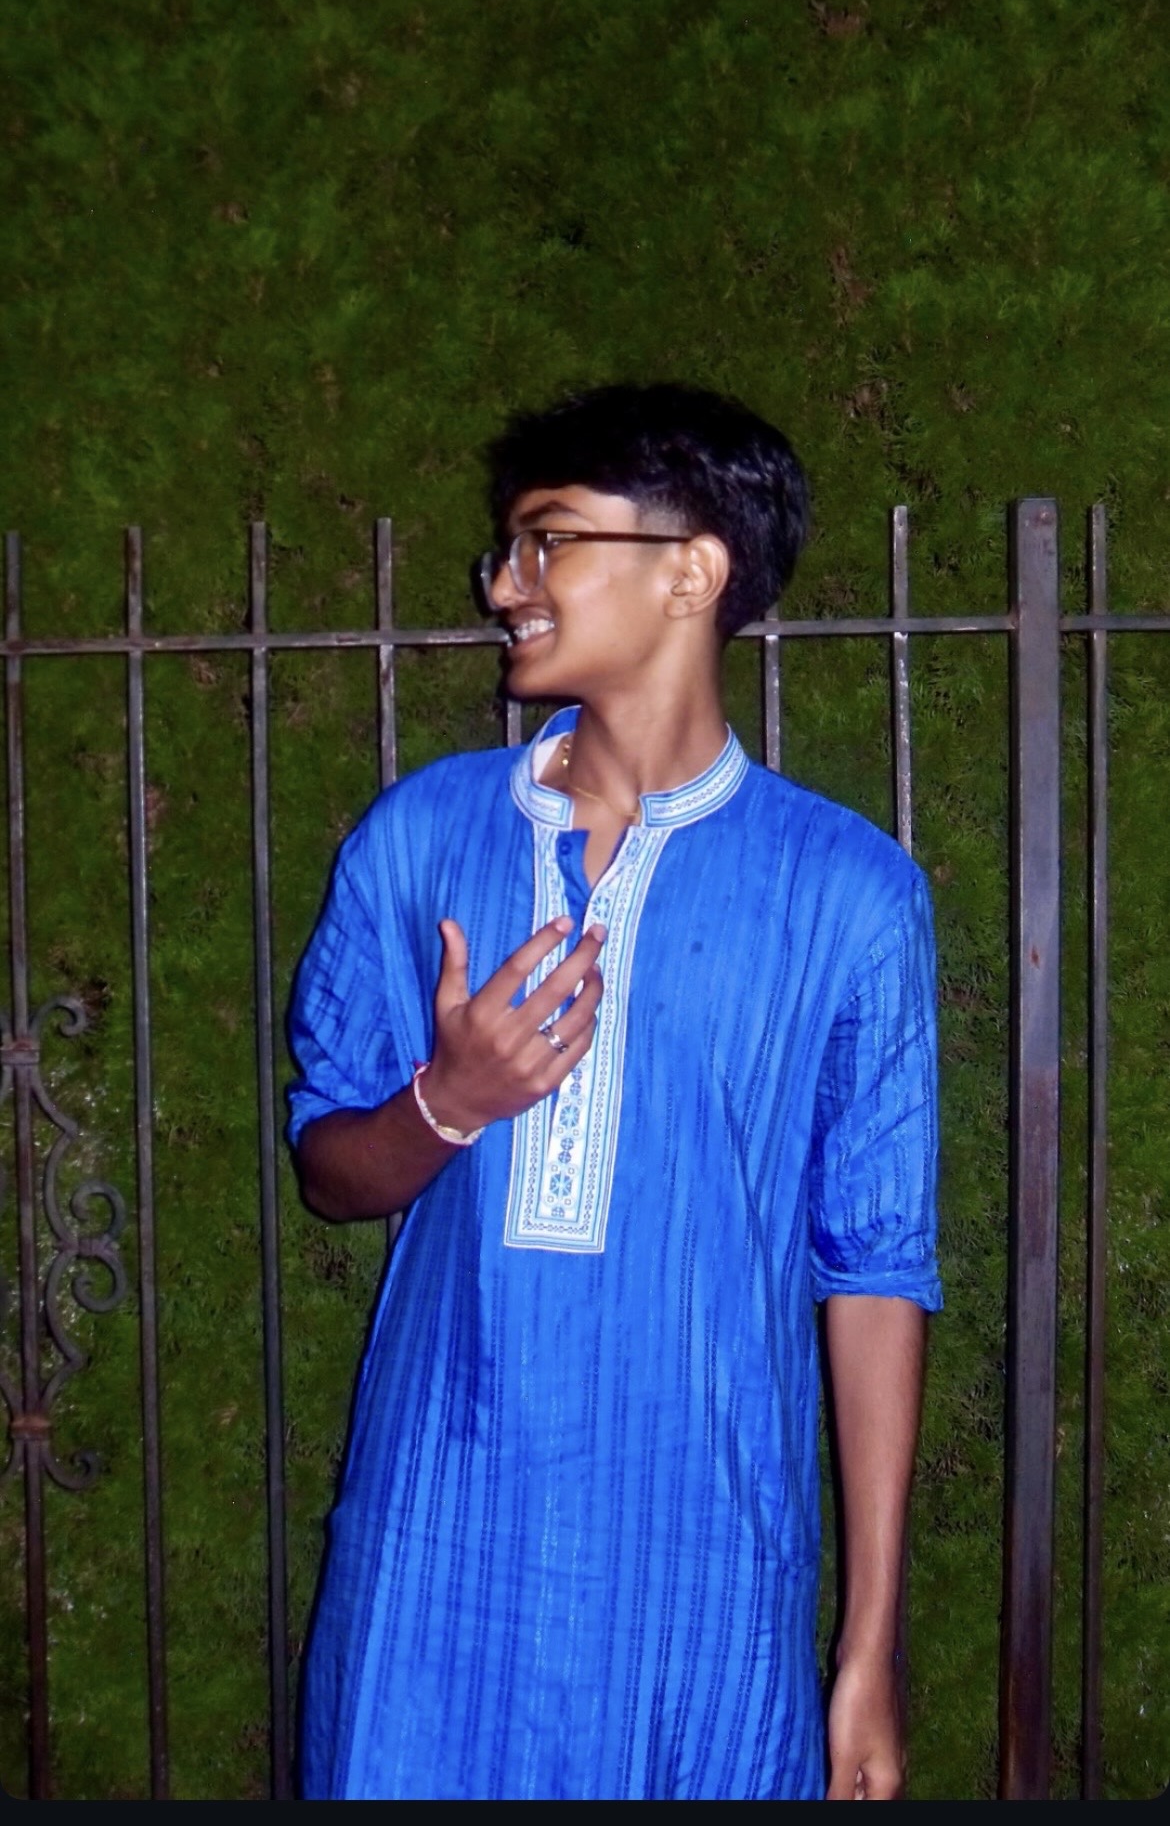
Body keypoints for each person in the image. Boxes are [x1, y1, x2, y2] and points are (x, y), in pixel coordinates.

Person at [287, 382, 941, 1801]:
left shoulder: (851, 893)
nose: (503, 585)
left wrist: (868, 1643)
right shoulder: (419, 837)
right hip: (434, 1556)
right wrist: (448, 1101)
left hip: (707, 1586)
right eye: (506, 549)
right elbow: (328, 1169)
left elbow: (876, 1267)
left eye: (547, 540)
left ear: (689, 571)